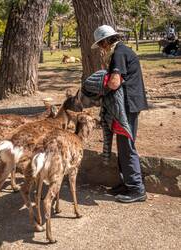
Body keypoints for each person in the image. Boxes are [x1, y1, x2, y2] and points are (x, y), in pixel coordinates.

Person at [91, 25, 148, 203]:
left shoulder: (118, 54)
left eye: (101, 44)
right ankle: (127, 184)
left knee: (127, 147)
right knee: (123, 145)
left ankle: (137, 189)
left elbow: (114, 83)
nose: (101, 47)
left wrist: (100, 90)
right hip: (129, 103)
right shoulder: (122, 51)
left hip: (128, 105)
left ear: (107, 40)